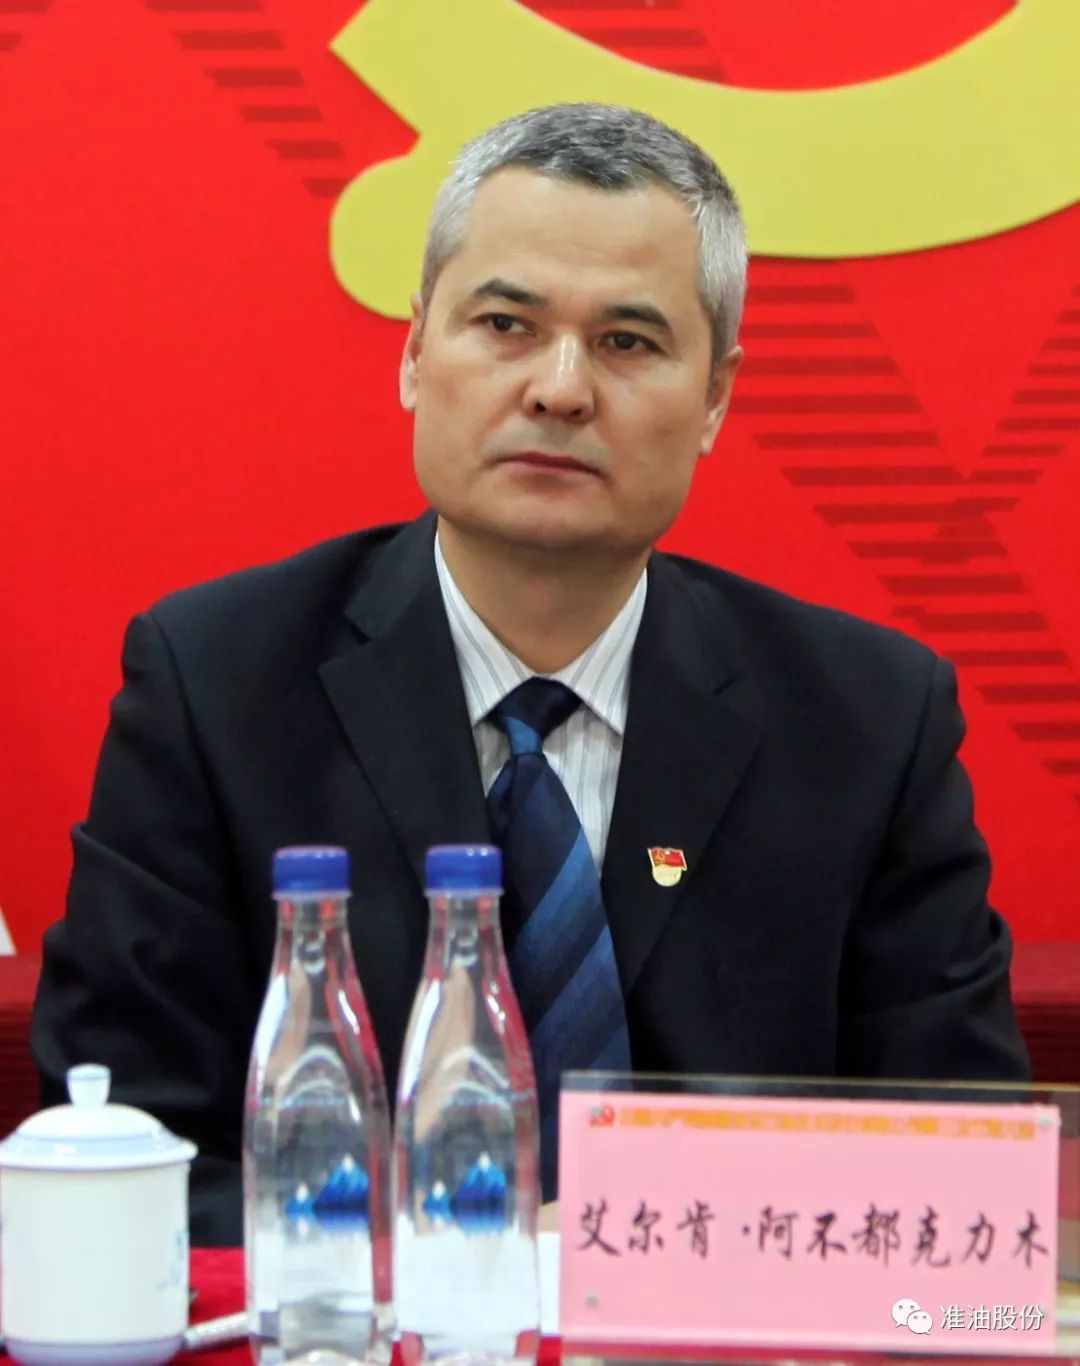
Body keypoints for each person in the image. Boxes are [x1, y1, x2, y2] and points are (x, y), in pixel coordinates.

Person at [31, 103, 1029, 1246]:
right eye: (506, 324)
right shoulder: (216, 684)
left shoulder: (867, 719)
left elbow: (967, 1170)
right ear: (415, 352)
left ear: (716, 397)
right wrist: (481, 1247)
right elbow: (128, 1153)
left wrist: (644, 1244)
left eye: (628, 342)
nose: (560, 389)